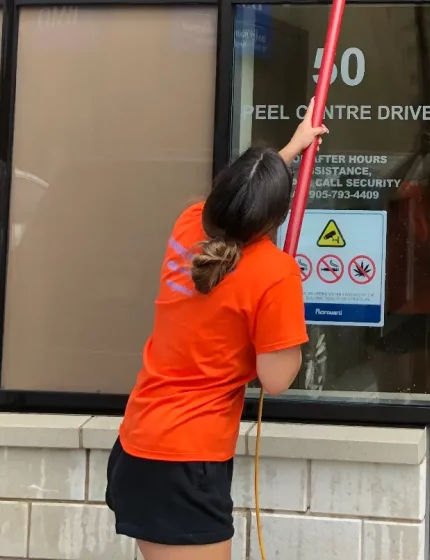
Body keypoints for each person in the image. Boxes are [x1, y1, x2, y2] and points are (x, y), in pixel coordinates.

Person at [105, 102, 328, 560]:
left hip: (140, 442)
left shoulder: (190, 222)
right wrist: (286, 319)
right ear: (275, 218)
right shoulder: (276, 273)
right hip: (186, 462)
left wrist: (291, 149)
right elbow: (276, 380)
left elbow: (236, 204)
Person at [371, 131, 430, 395]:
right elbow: (383, 189)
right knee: (394, 391)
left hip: (428, 307)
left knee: (427, 389)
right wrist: (416, 154)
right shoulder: (411, 193)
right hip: (395, 306)